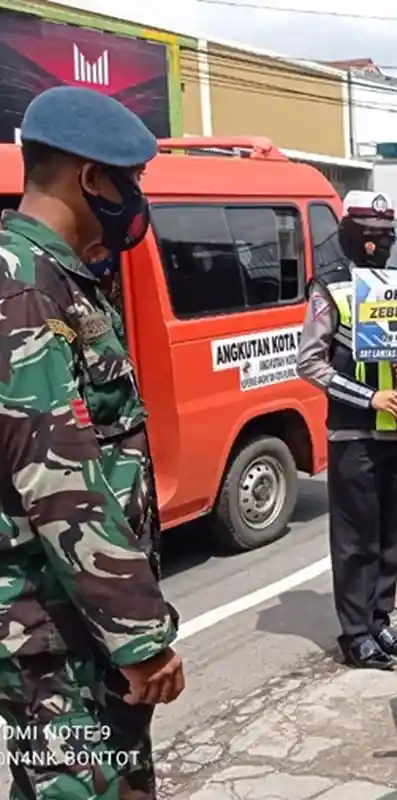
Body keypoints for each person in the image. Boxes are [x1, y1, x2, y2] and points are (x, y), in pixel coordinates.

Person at [0, 85, 185, 798]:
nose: (135, 199)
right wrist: (140, 639)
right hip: (58, 639)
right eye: (130, 180)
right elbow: (57, 478)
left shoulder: (56, 281)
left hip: (72, 629)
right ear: (91, 179)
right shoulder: (25, 293)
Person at [297, 190, 397, 670]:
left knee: (394, 534)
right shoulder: (329, 287)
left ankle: (380, 620)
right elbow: (309, 364)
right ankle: (356, 633)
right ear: (351, 235)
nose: (381, 245)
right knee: (356, 540)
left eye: (387, 235)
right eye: (371, 236)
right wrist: (370, 397)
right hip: (355, 436)